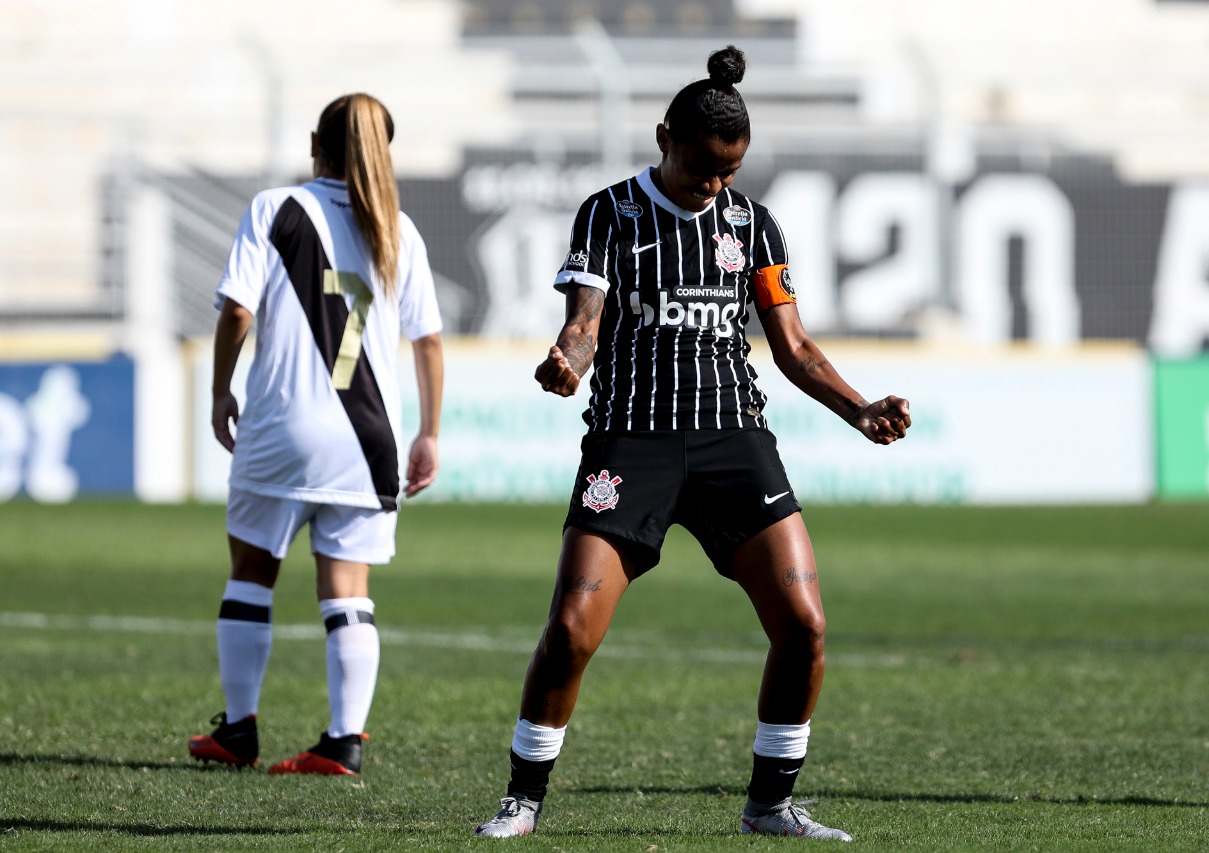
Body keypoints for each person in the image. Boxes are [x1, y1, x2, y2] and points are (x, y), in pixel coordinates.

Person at [474, 46, 910, 840]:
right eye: (703, 168)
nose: (716, 186)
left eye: (730, 171)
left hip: (732, 441)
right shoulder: (609, 213)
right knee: (571, 629)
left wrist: (860, 407)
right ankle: (522, 798)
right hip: (630, 445)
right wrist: (565, 363)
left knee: (805, 624)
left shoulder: (754, 224)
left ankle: (770, 804)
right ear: (662, 137)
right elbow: (583, 325)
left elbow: (795, 348)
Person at [187, 92, 444, 776]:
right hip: (370, 441)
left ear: (313, 143)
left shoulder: (276, 208)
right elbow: (430, 341)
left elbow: (238, 310)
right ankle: (344, 740)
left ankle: (239, 729)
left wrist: (220, 389)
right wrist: (430, 433)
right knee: (348, 591)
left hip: (283, 427)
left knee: (251, 575)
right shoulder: (400, 229)